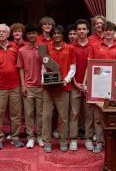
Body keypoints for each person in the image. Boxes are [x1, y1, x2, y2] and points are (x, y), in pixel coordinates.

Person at [85, 21, 116, 153]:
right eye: (106, 30)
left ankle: (112, 142)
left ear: (114, 32)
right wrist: (87, 83)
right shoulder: (95, 47)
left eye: (111, 30)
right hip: (98, 87)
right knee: (98, 117)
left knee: (112, 116)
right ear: (103, 32)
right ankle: (100, 142)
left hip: (113, 87)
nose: (108, 32)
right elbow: (90, 66)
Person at [0, 24, 24, 150]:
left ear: (8, 34)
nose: (1, 33)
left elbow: (20, 67)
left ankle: (15, 137)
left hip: (15, 87)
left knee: (16, 114)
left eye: (4, 32)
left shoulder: (14, 47)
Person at [42, 25, 76, 153]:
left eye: (59, 33)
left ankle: (63, 141)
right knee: (46, 116)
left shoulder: (70, 48)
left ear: (63, 35)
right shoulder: (47, 48)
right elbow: (44, 67)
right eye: (54, 33)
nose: (56, 35)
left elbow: (73, 67)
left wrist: (66, 80)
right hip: (48, 88)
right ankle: (47, 142)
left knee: (63, 117)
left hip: (63, 87)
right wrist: (43, 78)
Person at [17, 23, 44, 149]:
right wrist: (23, 85)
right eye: (29, 33)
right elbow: (21, 68)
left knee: (40, 113)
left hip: (42, 86)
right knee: (28, 114)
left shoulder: (43, 49)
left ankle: (39, 136)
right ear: (26, 35)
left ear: (38, 34)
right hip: (28, 86)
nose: (32, 35)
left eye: (34, 33)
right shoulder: (22, 50)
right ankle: (30, 137)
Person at [69, 19, 94, 151]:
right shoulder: (71, 47)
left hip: (89, 86)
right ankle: (73, 138)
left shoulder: (93, 46)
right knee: (74, 113)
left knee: (89, 114)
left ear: (88, 30)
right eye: (79, 29)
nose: (81, 31)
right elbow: (68, 67)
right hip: (75, 85)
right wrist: (75, 82)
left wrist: (87, 84)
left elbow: (95, 67)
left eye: (84, 29)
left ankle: (88, 138)